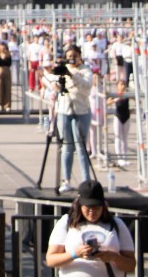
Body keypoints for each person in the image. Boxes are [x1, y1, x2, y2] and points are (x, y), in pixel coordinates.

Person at [46, 179, 136, 275]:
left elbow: (131, 265)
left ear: (103, 205)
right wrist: (74, 254)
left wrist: (115, 257)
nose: (92, 211)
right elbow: (51, 261)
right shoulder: (66, 222)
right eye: (88, 207)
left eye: (97, 207)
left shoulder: (117, 224)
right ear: (79, 205)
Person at [54, 45, 94, 193]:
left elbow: (87, 85)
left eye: (74, 56)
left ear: (79, 56)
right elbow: (52, 81)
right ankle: (66, 180)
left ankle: (86, 180)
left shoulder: (85, 70)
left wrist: (72, 75)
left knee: (81, 147)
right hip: (64, 110)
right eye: (69, 56)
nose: (71, 59)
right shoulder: (64, 69)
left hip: (81, 111)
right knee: (67, 146)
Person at [0, 42, 13, 112]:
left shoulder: (8, 54)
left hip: (6, 70)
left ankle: (7, 105)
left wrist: (6, 54)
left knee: (7, 88)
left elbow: (9, 63)